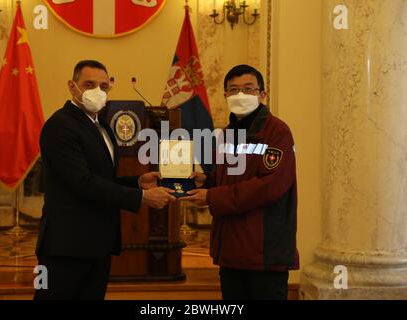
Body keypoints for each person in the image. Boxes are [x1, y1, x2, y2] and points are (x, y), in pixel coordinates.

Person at [34, 60, 176, 300]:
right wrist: (141, 197)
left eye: (103, 86)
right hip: (65, 246)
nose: (97, 92)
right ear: (72, 86)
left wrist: (137, 181)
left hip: (97, 244)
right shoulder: (60, 125)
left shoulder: (103, 127)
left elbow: (103, 179)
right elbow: (83, 183)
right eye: (89, 84)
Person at [182, 64, 299, 300]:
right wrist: (206, 181)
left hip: (263, 253)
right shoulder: (226, 134)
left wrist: (212, 197)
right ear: (225, 95)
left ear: (262, 94)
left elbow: (269, 187)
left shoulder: (277, 132)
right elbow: (229, 177)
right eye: (233, 90)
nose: (240, 96)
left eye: (248, 89)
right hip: (231, 251)